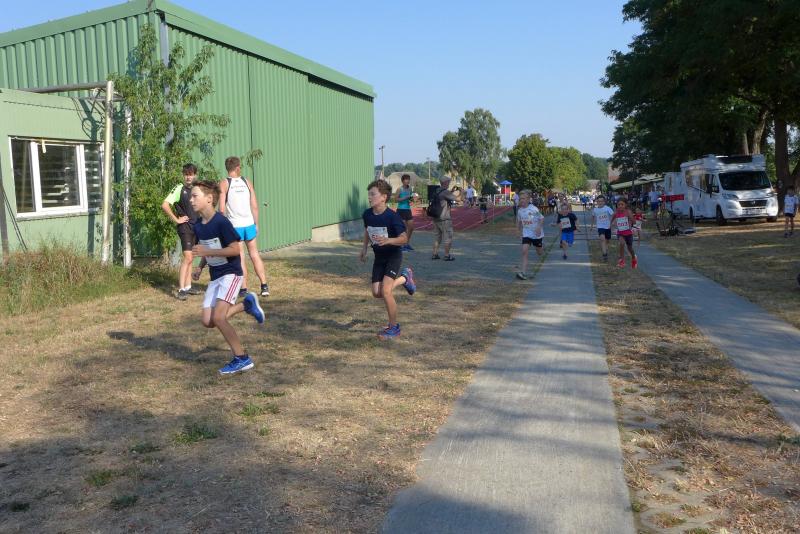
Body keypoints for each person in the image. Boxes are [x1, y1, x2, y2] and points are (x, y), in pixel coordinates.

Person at [189, 180, 265, 375]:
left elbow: (234, 249)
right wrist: (200, 267)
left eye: (195, 196)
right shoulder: (198, 226)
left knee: (219, 318)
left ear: (209, 199)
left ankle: (242, 358)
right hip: (215, 276)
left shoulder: (221, 222)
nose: (191, 200)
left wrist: (208, 251)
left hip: (231, 273)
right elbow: (206, 248)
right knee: (208, 321)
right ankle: (245, 305)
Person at [360, 180, 416, 340]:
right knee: (376, 293)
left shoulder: (393, 217)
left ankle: (394, 328)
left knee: (386, 291)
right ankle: (405, 278)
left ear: (384, 197)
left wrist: (389, 240)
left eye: (373, 194)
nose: (369, 197)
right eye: (369, 194)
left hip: (393, 256)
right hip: (379, 257)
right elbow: (367, 230)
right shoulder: (367, 214)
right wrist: (364, 248)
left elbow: (404, 239)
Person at [218, 156, 270, 297]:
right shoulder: (247, 182)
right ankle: (264, 286)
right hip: (249, 224)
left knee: (240, 257)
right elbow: (254, 205)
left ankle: (244, 288)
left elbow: (221, 209)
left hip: (235, 226)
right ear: (237, 167)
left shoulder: (224, 183)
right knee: (254, 254)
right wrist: (256, 224)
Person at [161, 163, 201, 300]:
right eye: (186, 174)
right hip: (185, 228)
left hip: (196, 227)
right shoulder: (179, 188)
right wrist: (176, 219)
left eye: (191, 174)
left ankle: (188, 287)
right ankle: (181, 289)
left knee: (191, 258)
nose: (188, 177)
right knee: (188, 257)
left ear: (195, 175)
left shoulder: (197, 189)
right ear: (183, 175)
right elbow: (165, 205)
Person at [516, 190, 545, 280]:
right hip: (526, 233)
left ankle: (542, 246)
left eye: (523, 198)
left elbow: (541, 218)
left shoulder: (533, 209)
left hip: (536, 234)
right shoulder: (520, 211)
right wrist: (518, 231)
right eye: (520, 199)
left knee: (540, 253)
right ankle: (523, 272)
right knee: (524, 251)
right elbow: (519, 222)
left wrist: (538, 227)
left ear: (528, 200)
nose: (522, 200)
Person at [431, 176, 458, 261]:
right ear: (445, 183)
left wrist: (452, 191)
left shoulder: (437, 191)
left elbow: (443, 197)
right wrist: (462, 192)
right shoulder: (445, 192)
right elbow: (458, 199)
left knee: (437, 237)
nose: (449, 183)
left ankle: (435, 254)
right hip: (444, 218)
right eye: (448, 182)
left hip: (436, 217)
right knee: (448, 237)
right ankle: (447, 255)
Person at [611, 199, 637, 269]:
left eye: (622, 204)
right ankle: (622, 261)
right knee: (622, 243)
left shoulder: (628, 212)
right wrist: (610, 224)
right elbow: (612, 218)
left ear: (625, 205)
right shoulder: (616, 212)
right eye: (619, 204)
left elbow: (634, 222)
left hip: (628, 233)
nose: (620, 206)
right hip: (620, 233)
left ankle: (634, 258)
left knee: (630, 248)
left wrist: (630, 219)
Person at [394, 174, 416, 251]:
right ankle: (400, 245)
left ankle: (406, 243)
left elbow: (410, 199)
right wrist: (405, 197)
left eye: (408, 179)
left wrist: (412, 200)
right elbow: (396, 200)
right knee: (402, 229)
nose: (407, 181)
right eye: (406, 179)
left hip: (408, 209)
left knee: (411, 228)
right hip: (401, 210)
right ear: (402, 181)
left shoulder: (409, 189)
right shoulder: (399, 189)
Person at [592, 195, 614, 260]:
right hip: (600, 226)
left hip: (607, 226)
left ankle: (605, 248)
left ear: (604, 202)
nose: (600, 202)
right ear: (597, 202)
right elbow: (593, 217)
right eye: (599, 201)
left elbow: (613, 215)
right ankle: (604, 254)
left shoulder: (607, 208)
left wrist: (612, 223)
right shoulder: (595, 210)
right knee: (602, 239)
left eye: (602, 201)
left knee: (607, 240)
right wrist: (592, 226)